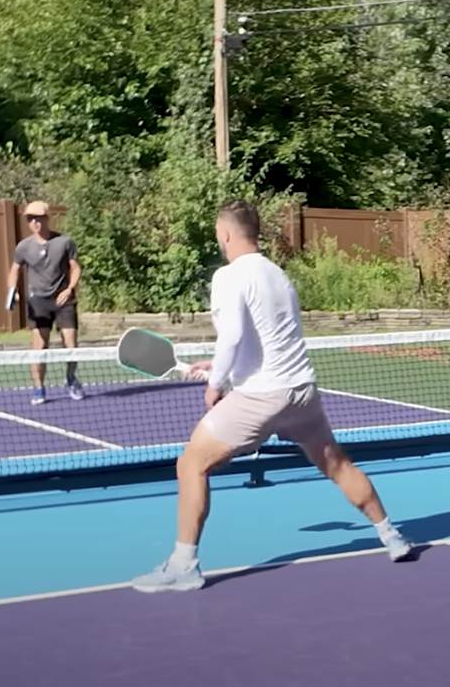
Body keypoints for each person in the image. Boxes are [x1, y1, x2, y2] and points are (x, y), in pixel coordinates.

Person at [132, 200, 414, 594]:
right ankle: (391, 536)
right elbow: (267, 340)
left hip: (263, 395)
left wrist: (217, 384)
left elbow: (231, 336)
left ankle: (183, 565)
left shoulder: (229, 276)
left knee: (191, 463)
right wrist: (219, 368)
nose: (220, 242)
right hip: (301, 391)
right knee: (337, 464)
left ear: (226, 234)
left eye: (219, 235)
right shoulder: (279, 276)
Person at [7, 201, 84, 404]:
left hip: (63, 300)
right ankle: (39, 388)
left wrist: (69, 289)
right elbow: (15, 270)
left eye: (39, 218)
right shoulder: (23, 247)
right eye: (31, 219)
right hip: (38, 302)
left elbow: (75, 268)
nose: (35, 222)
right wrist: (12, 290)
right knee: (39, 346)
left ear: (47, 218)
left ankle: (70, 377)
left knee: (71, 344)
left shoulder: (65, 242)